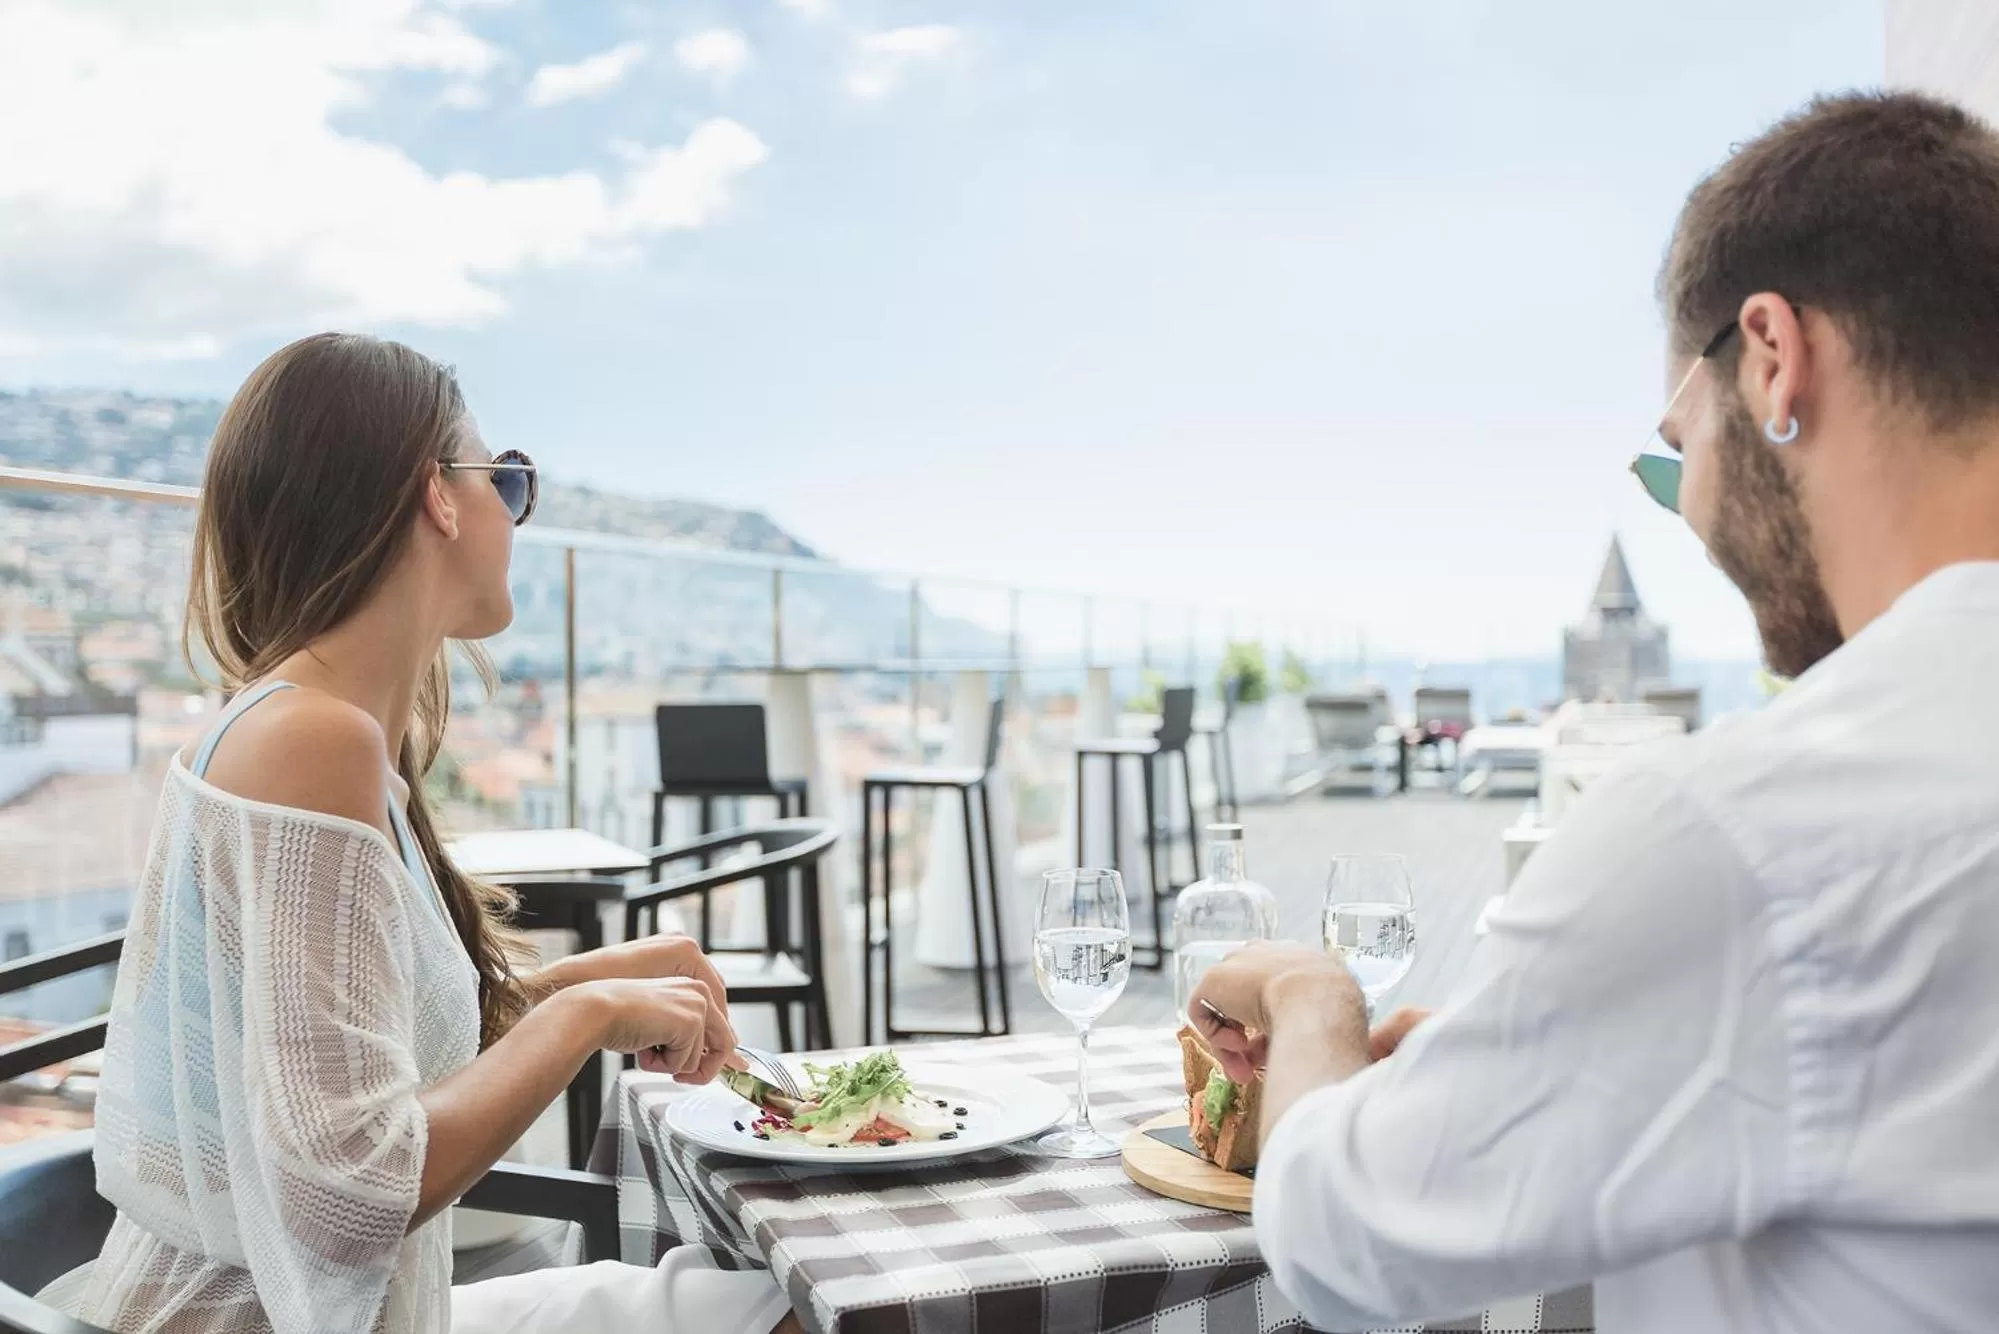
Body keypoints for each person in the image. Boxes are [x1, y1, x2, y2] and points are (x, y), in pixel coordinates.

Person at [1191, 91, 1999, 1334]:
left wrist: (1308, 993)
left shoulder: (1746, 824)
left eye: (1675, 446)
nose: (1691, 507)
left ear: (1772, 357)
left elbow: (1336, 1241)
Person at [51, 333, 798, 1334]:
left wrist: (594, 980)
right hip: (268, 1316)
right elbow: (348, 1197)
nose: (515, 514)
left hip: (334, 1309)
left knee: (747, 1301)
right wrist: (580, 1020)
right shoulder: (313, 741)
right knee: (774, 1311)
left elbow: (363, 1056)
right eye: (510, 479)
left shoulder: (308, 721)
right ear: (438, 494)